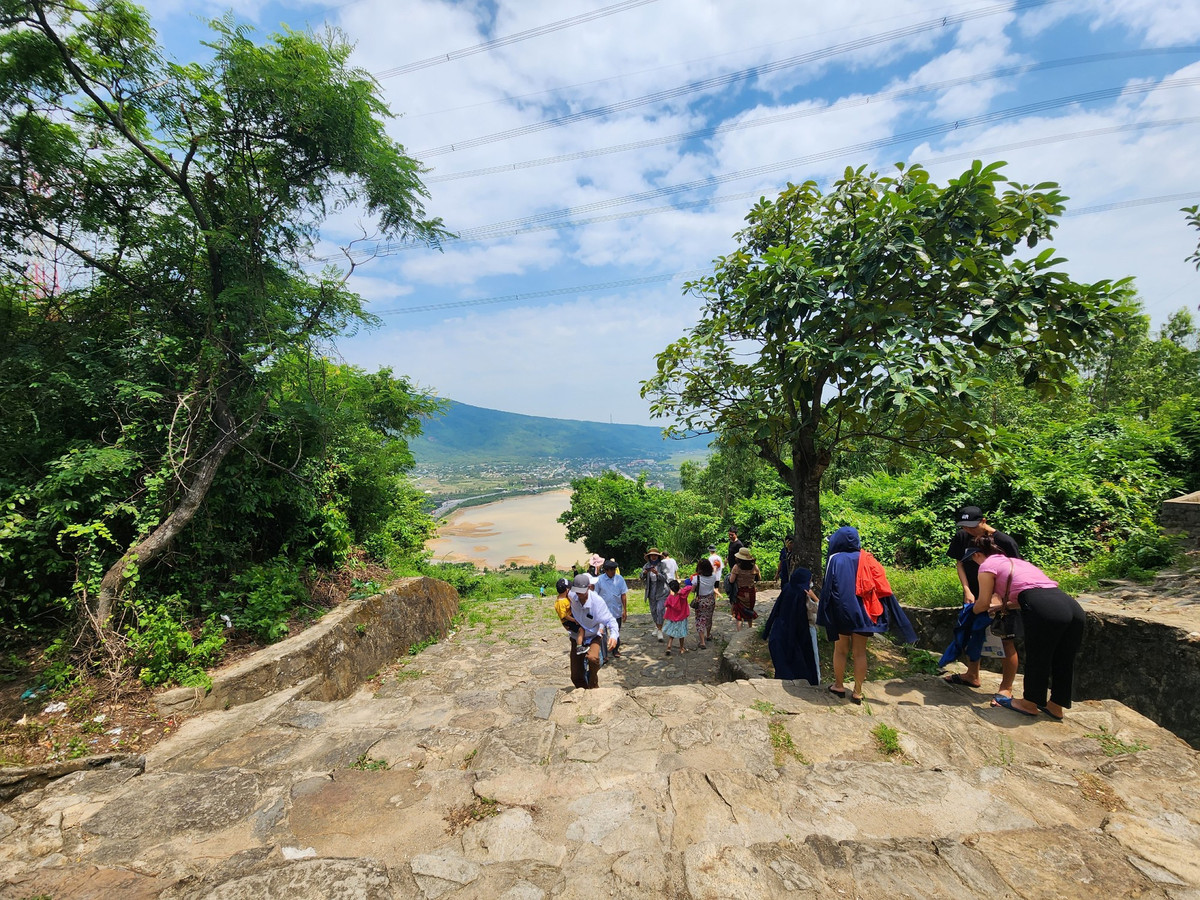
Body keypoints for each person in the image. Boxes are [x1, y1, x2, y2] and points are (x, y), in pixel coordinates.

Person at [968, 536, 1085, 720]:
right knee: (1064, 658)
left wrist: (970, 612)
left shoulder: (986, 566)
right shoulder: (1016, 562)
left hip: (1046, 608)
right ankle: (1056, 706)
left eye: (973, 558)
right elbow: (1031, 593)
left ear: (977, 555)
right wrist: (1002, 606)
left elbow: (982, 603)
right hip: (1071, 606)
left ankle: (1029, 703)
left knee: (1039, 656)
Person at [816, 526, 917, 704]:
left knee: (840, 650)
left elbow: (828, 587)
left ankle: (839, 686)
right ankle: (858, 692)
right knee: (860, 652)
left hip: (842, 612)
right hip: (865, 612)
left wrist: (825, 614)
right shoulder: (867, 558)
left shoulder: (835, 559)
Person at [944, 505, 1022, 697]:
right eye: (964, 526)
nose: (968, 530)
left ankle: (1006, 688)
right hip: (974, 595)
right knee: (972, 633)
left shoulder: (1004, 542)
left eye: (972, 526)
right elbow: (960, 563)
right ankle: (972, 675)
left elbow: (1017, 572)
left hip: (1001, 600)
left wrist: (1001, 599)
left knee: (1005, 641)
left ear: (984, 521)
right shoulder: (962, 536)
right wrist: (966, 589)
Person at [761, 566, 819, 684]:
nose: (810, 584)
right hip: (793, 639)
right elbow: (804, 621)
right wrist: (816, 600)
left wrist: (766, 632)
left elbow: (775, 609)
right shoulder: (800, 597)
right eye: (809, 581)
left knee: (784, 669)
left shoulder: (788, 588)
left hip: (778, 636)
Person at [567, 573, 620, 689]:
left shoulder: (597, 602)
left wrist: (614, 636)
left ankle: (593, 684)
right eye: (577, 591)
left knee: (593, 658)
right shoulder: (572, 595)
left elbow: (611, 620)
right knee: (575, 675)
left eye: (582, 591)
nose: (579, 594)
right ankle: (582, 689)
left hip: (593, 635)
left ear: (588, 587)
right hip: (577, 636)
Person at [594, 558, 628, 657]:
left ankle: (615, 650)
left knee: (616, 630)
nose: (613, 571)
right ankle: (604, 655)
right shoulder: (599, 580)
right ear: (606, 570)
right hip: (602, 612)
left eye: (614, 569)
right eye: (611, 570)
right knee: (602, 633)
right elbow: (595, 595)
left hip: (616, 610)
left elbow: (623, 595)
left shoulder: (620, 579)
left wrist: (625, 610)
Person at [691, 556, 720, 648]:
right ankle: (708, 635)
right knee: (709, 618)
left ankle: (702, 642)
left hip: (701, 601)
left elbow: (692, 590)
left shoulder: (697, 578)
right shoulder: (713, 577)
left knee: (700, 619)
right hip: (711, 600)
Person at [641, 548, 670, 642]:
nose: (653, 557)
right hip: (651, 590)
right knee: (653, 611)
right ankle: (657, 626)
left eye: (655, 555)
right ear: (649, 556)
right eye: (652, 555)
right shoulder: (647, 565)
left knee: (660, 610)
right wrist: (644, 573)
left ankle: (660, 630)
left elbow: (665, 578)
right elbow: (641, 577)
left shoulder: (662, 565)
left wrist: (657, 573)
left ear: (658, 556)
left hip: (662, 590)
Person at [729, 547, 761, 629]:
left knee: (739, 614)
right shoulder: (755, 567)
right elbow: (759, 578)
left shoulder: (736, 567)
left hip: (740, 592)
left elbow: (731, 580)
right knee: (749, 611)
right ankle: (750, 628)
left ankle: (739, 632)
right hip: (751, 592)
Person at [662, 579, 690, 655]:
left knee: (672, 633)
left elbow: (666, 604)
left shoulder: (670, 598)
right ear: (679, 586)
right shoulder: (683, 596)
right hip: (682, 618)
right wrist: (681, 589)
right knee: (682, 634)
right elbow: (689, 587)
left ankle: (669, 646)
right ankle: (681, 648)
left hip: (673, 618)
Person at [553, 577, 580, 645]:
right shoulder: (560, 602)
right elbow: (564, 616)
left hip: (571, 617)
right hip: (568, 621)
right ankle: (580, 645)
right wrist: (574, 620)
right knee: (581, 630)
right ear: (567, 590)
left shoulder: (565, 598)